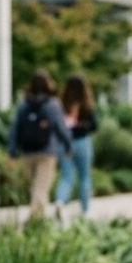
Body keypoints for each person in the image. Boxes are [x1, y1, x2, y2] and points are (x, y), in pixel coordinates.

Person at [8, 70, 72, 220]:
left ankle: (40, 222)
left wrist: (11, 153)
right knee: (40, 190)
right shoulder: (53, 104)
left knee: (36, 190)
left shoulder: (24, 105)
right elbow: (61, 128)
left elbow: (15, 129)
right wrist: (69, 146)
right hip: (47, 153)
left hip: (28, 153)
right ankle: (34, 223)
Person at [55, 74, 97, 216]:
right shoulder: (86, 105)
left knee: (66, 176)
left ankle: (61, 201)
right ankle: (85, 210)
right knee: (84, 177)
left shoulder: (61, 104)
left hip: (64, 144)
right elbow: (94, 125)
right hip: (82, 141)